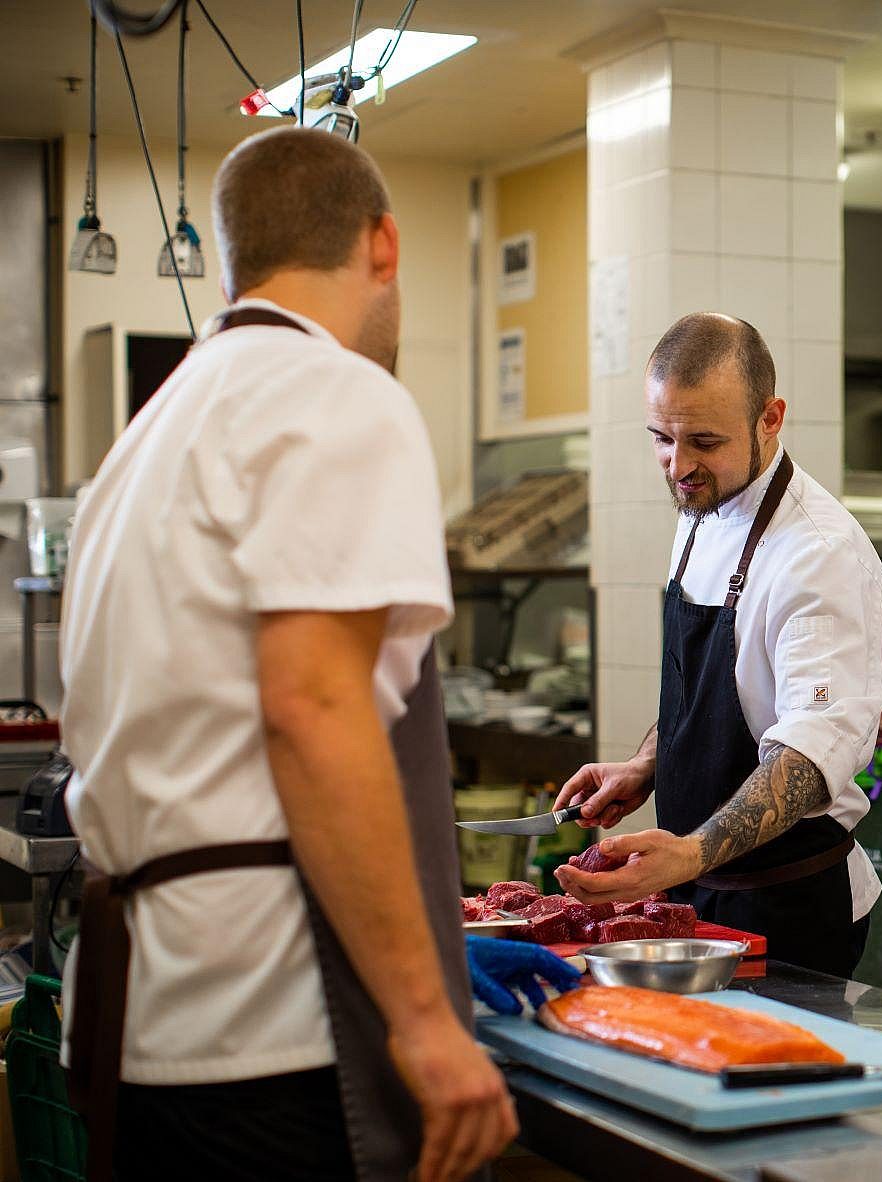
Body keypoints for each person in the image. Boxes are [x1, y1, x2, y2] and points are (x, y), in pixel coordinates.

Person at [58, 127, 571, 1182]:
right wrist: (427, 1017)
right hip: (278, 1032)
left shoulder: (146, 439)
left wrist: (435, 939)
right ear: (384, 244)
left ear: (233, 259)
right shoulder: (337, 394)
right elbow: (313, 711)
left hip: (141, 1019)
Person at [553, 314, 882, 978]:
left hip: (788, 908)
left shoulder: (817, 553)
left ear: (770, 418)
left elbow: (810, 750)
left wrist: (691, 852)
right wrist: (647, 763)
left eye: (704, 440)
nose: (679, 466)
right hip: (700, 895)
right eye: (662, 438)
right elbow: (714, 688)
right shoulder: (703, 507)